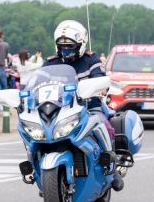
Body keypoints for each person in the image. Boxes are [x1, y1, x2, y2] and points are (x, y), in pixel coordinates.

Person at [42, 20, 124, 192]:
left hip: (89, 107)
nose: (66, 50)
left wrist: (100, 87)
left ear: (80, 45)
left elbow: (101, 78)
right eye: (63, 47)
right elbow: (38, 84)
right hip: (60, 111)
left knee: (104, 124)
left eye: (70, 47)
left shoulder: (91, 60)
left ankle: (112, 167)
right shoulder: (50, 63)